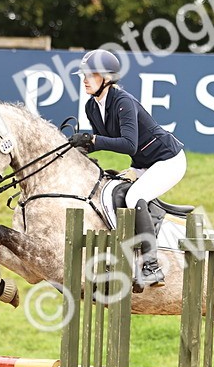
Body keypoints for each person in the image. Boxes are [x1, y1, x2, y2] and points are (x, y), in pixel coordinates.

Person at [69, 49, 187, 290]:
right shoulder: (92, 106)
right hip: (143, 164)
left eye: (90, 75)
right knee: (114, 194)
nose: (84, 80)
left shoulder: (123, 101)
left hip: (168, 160)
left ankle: (152, 267)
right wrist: (74, 149)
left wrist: (92, 140)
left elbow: (128, 143)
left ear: (107, 78)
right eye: (83, 75)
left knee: (135, 196)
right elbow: (103, 139)